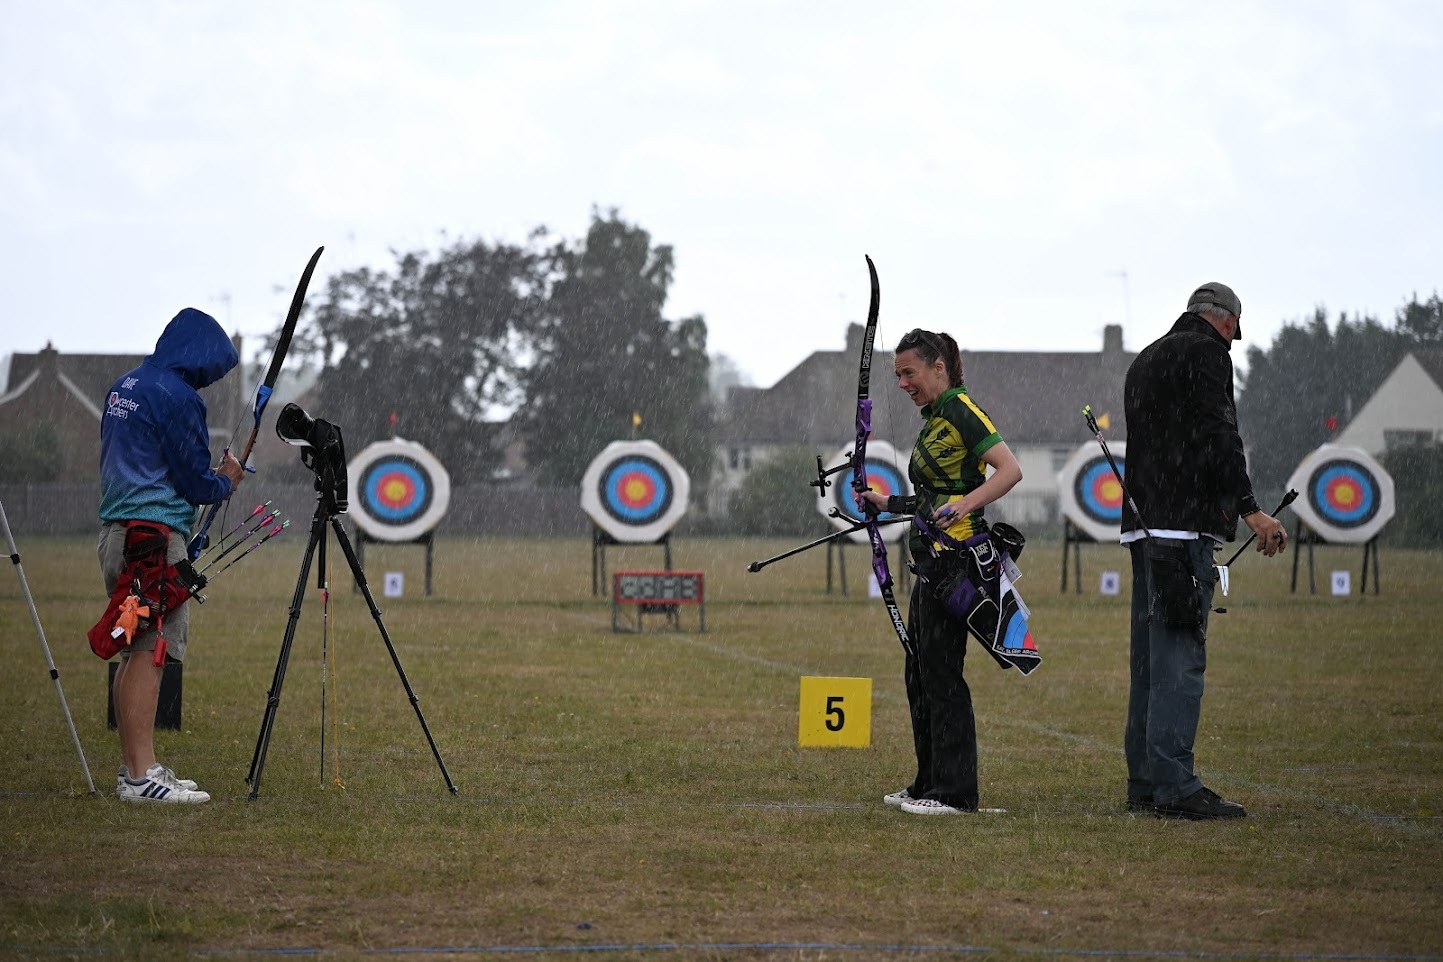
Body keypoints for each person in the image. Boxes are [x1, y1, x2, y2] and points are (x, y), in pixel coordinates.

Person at [1121, 282, 1287, 820]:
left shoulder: (1146, 358)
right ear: (1225, 321)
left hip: (1142, 526)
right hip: (1182, 527)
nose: (1234, 342)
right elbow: (1221, 435)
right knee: (1179, 657)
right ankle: (1175, 785)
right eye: (1235, 332)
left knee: (1148, 660)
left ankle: (1145, 781)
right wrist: (1251, 509)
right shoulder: (1208, 354)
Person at [859, 328, 1023, 815]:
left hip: (959, 560)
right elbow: (936, 496)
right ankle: (928, 782)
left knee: (942, 672)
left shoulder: (961, 411)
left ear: (938, 368)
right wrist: (889, 503)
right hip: (931, 559)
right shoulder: (935, 419)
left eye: (909, 373)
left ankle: (955, 794)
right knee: (920, 669)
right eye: (898, 375)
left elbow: (1009, 470)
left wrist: (966, 506)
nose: (903, 384)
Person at [99, 307, 245, 804]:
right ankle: (142, 778)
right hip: (154, 545)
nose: (208, 380)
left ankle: (135, 769)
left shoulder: (127, 385)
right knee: (151, 650)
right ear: (198, 355)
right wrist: (226, 480)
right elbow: (193, 482)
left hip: (120, 537)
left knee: (133, 646)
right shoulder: (177, 396)